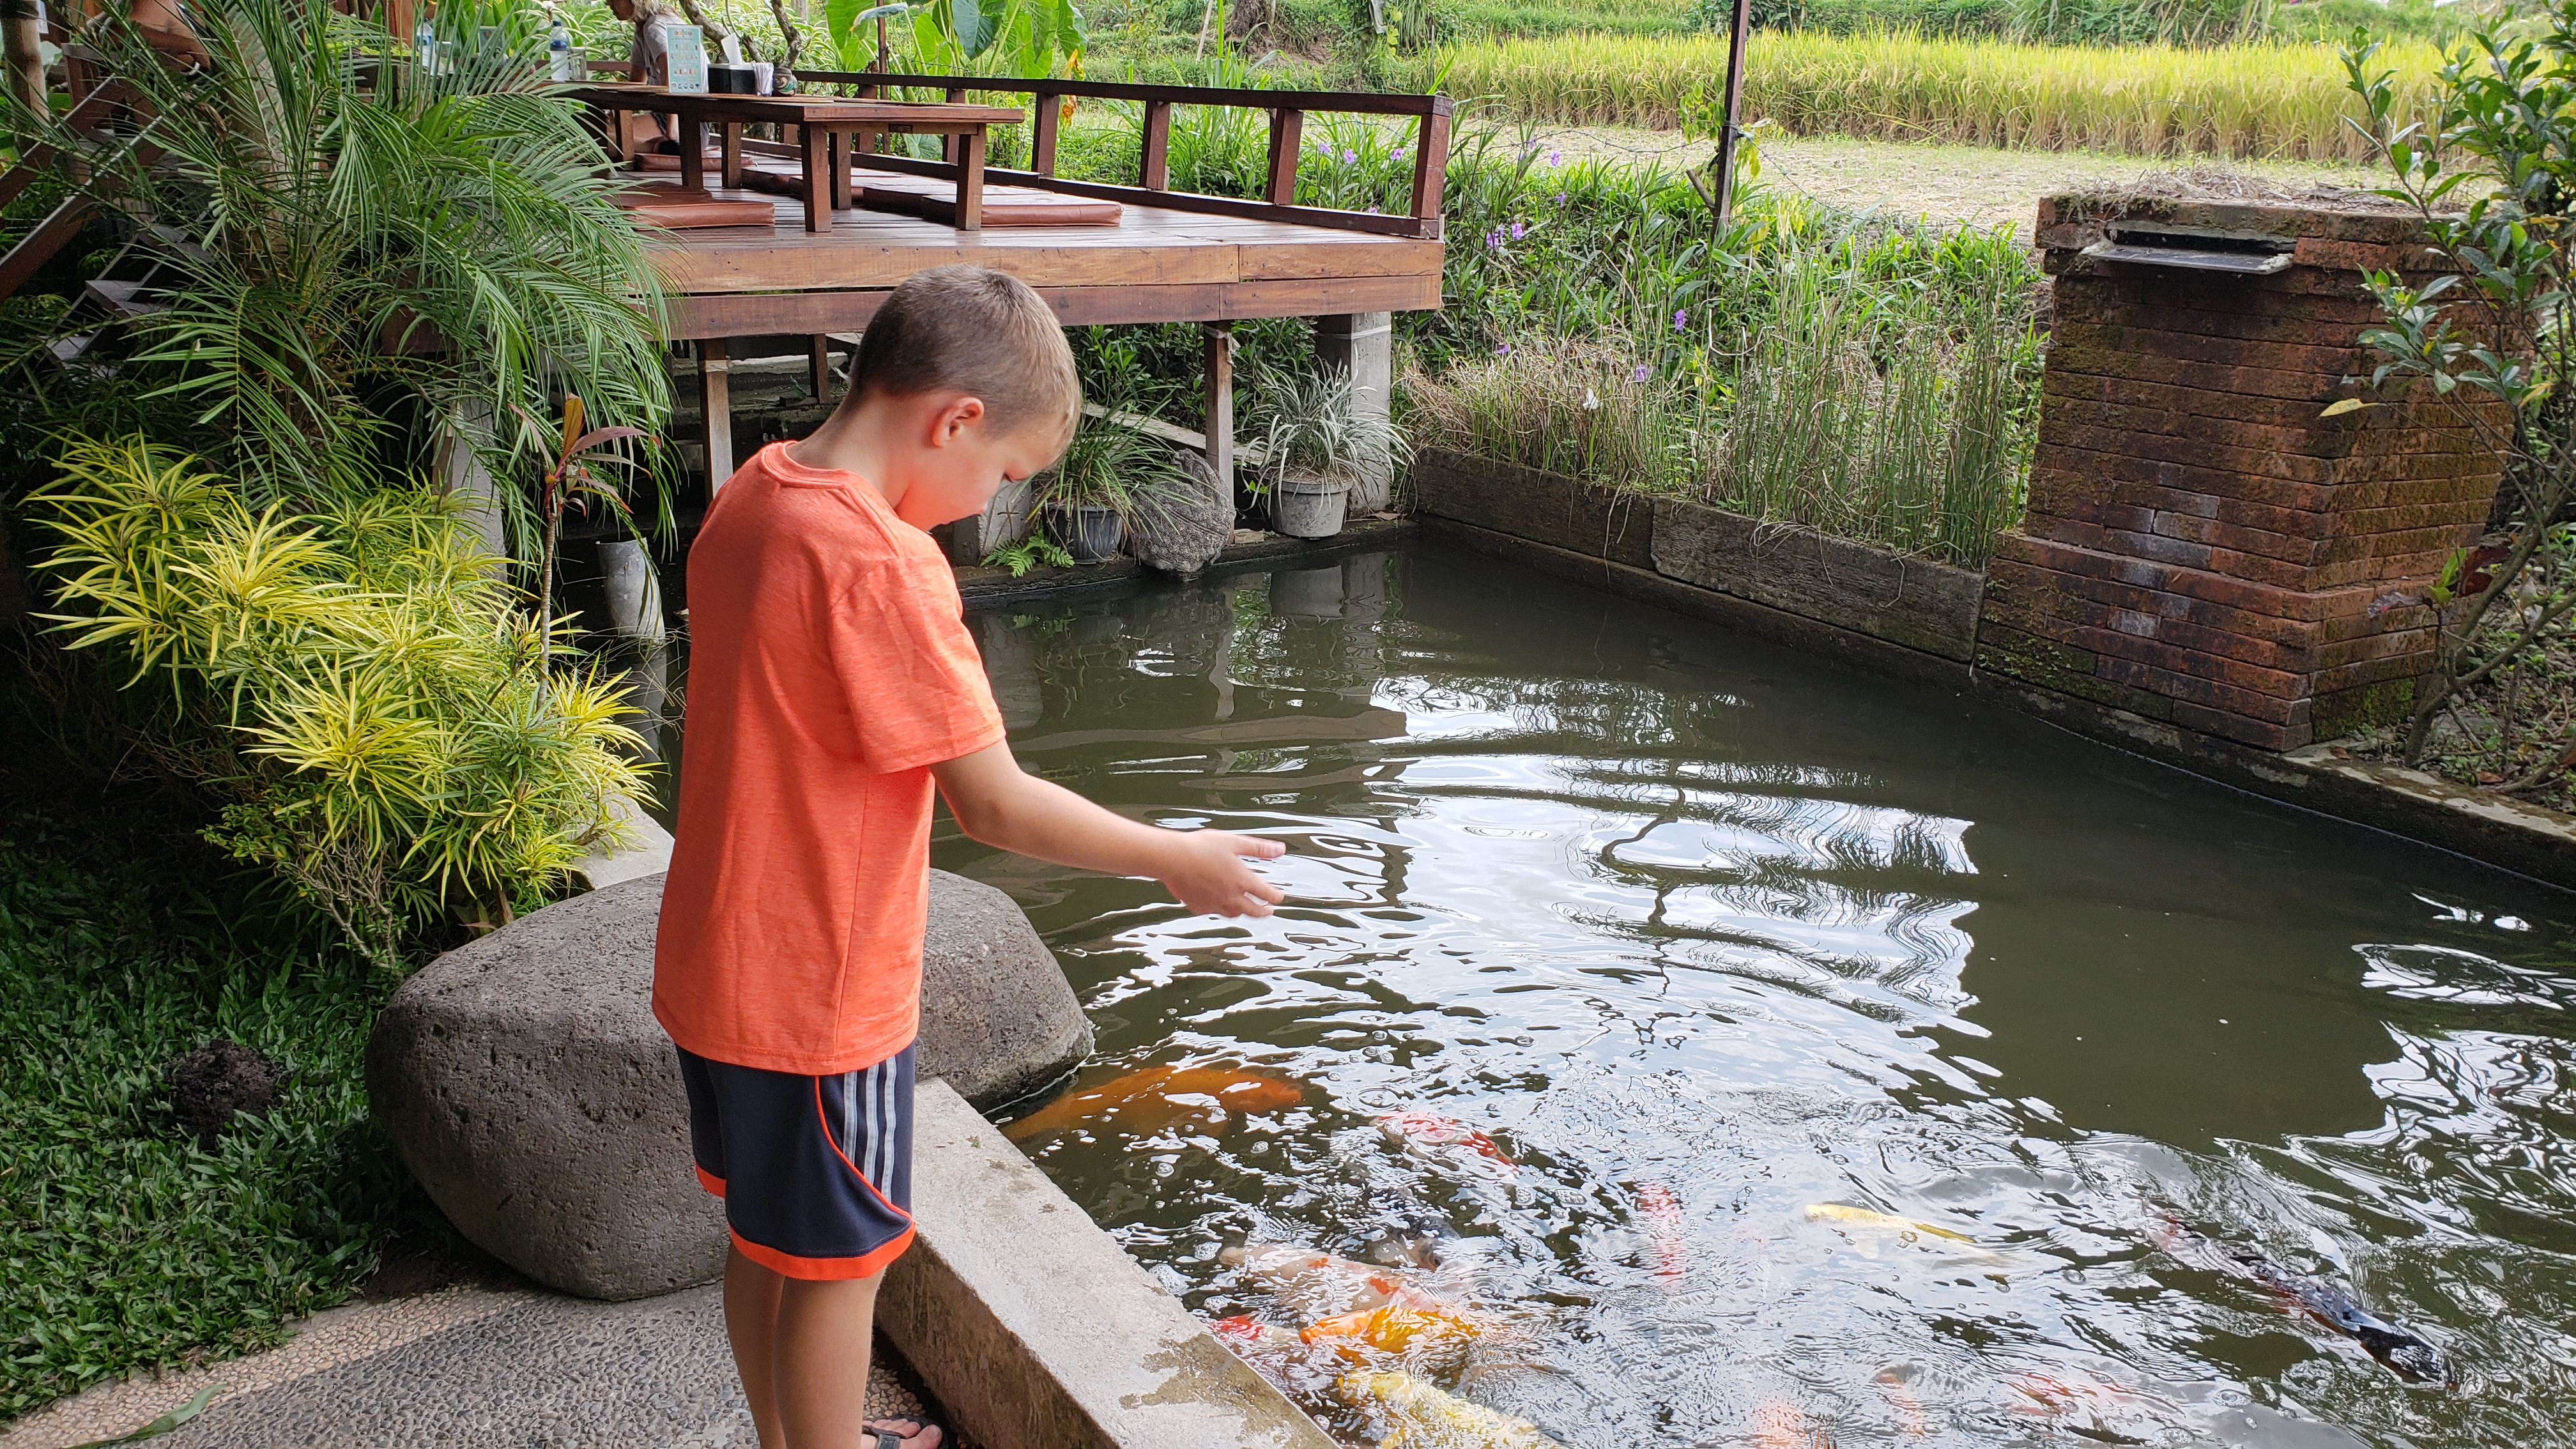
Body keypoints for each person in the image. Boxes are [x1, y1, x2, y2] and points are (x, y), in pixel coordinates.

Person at [652, 264, 1285, 1449]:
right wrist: (1170, 856)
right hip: (821, 992)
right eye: (1004, 474)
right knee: (843, 1267)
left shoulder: (755, 492)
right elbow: (991, 805)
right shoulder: (886, 566)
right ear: (952, 419)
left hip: (715, 964)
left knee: (762, 1235)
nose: (989, 502)